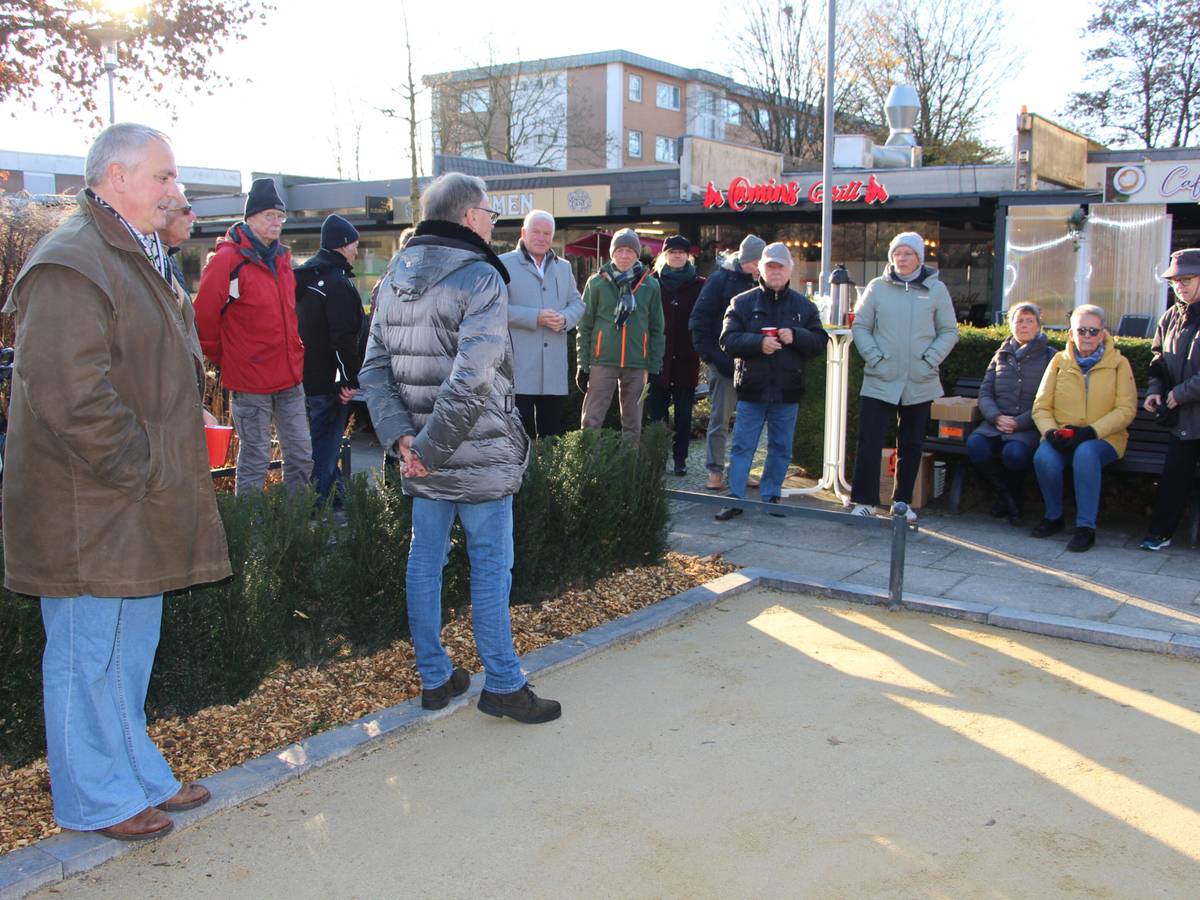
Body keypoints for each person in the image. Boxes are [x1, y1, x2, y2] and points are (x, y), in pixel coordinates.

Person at [3, 123, 231, 841]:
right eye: (164, 176)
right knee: (84, 657)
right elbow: (67, 392)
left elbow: (143, 366)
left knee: (127, 652)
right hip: (89, 506)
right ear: (117, 177)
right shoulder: (71, 260)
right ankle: (93, 799)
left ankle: (137, 775)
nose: (175, 189)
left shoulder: (131, 252)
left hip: (130, 500)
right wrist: (145, 463)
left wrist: (181, 424)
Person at [359, 172, 560, 724]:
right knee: (490, 565)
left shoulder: (393, 275)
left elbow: (374, 370)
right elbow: (473, 378)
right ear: (470, 216)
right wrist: (425, 448)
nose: (493, 223)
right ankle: (503, 684)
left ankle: (435, 677)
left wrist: (406, 441)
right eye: (490, 213)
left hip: (423, 453)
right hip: (475, 452)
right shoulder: (481, 276)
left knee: (425, 561)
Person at [195, 177, 312, 496]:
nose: (277, 222)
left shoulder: (282, 260)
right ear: (250, 218)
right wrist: (231, 359)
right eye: (269, 215)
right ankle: (250, 526)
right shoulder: (228, 261)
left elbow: (288, 317)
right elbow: (203, 319)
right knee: (255, 459)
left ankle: (298, 522)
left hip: (289, 376)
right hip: (249, 381)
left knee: (301, 456)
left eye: (280, 216)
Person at [849, 231, 959, 522]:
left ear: (919, 257)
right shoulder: (877, 287)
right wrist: (875, 357)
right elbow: (860, 326)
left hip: (920, 380)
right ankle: (865, 501)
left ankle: (902, 502)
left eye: (908, 253)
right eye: (897, 253)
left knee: (911, 443)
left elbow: (949, 331)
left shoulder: (936, 290)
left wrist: (930, 359)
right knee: (869, 441)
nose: (902, 258)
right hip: (880, 377)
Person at [714, 243, 828, 521]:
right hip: (752, 389)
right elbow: (727, 340)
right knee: (742, 446)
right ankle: (735, 497)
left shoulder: (804, 306)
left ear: (790, 270)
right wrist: (758, 343)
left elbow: (819, 342)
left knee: (781, 448)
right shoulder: (741, 303)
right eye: (770, 267)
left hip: (788, 389)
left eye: (780, 267)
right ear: (760, 270)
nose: (775, 272)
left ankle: (772, 496)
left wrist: (796, 336)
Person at [1031, 304, 1136, 552]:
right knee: (1044, 457)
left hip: (1104, 438)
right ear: (1071, 333)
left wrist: (1091, 432)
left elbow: (1126, 409)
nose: (1087, 336)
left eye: (1093, 331)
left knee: (1086, 453)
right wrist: (1050, 432)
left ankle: (1085, 527)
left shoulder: (1119, 363)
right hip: (1063, 435)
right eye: (1081, 330)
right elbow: (1041, 406)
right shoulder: (1058, 361)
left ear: (1102, 334)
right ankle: (1054, 517)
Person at [294, 214, 365, 506]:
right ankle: (316, 511)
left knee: (317, 445)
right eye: (355, 244)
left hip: (301, 377)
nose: (357, 251)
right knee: (324, 448)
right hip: (329, 383)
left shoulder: (305, 278)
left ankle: (339, 503)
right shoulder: (336, 283)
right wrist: (349, 380)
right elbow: (342, 337)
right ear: (343, 244)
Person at [966, 302, 1055, 525]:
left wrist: (1019, 422)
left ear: (1038, 325)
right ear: (1011, 325)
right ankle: (1008, 496)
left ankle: (1011, 498)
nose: (1024, 325)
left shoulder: (1051, 357)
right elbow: (985, 392)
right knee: (976, 445)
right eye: (1019, 320)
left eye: (1029, 321)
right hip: (995, 423)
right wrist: (996, 417)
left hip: (1027, 426)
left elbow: (1050, 399)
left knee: (1014, 454)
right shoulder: (1001, 355)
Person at [500, 209, 584, 440]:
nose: (541, 237)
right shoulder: (503, 264)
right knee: (517, 436)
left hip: (553, 370)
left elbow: (577, 304)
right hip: (519, 370)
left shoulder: (563, 267)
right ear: (523, 233)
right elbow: (496, 309)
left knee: (552, 437)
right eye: (536, 232)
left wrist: (565, 318)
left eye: (547, 233)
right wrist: (535, 317)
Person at [689, 234, 765, 490]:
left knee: (749, 422)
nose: (760, 267)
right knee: (720, 420)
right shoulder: (719, 280)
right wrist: (711, 357)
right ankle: (715, 471)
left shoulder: (764, 282)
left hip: (754, 364)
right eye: (757, 262)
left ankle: (741, 471)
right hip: (724, 363)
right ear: (746, 260)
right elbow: (699, 319)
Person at [576, 228, 665, 441]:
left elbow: (657, 328)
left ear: (637, 254)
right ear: (612, 253)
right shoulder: (596, 283)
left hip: (637, 362)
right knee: (592, 420)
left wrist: (654, 365)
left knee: (633, 423)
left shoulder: (650, 285)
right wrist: (583, 365)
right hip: (602, 359)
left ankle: (629, 461)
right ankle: (588, 459)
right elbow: (585, 325)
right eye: (619, 250)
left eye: (629, 251)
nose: (624, 255)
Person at [1141, 249, 1200, 551]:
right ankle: (1160, 534)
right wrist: (1155, 389)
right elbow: (1158, 359)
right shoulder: (1170, 316)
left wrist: (1180, 393)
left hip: (1188, 406)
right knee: (1174, 478)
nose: (1180, 286)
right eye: (1175, 281)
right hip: (1183, 421)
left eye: (1186, 279)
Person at [649, 235, 705, 475]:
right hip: (658, 358)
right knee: (657, 415)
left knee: (684, 415)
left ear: (688, 256)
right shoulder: (652, 282)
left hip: (686, 358)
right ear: (665, 255)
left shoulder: (699, 284)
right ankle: (657, 458)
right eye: (672, 252)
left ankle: (680, 459)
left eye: (681, 253)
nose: (677, 256)